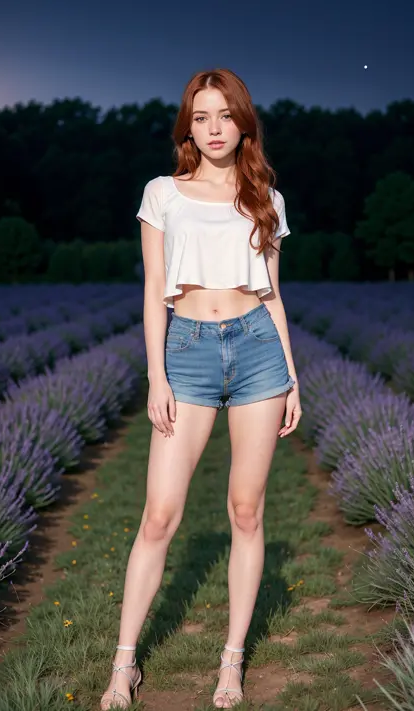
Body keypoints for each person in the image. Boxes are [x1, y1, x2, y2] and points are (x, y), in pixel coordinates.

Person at [100, 67, 302, 710]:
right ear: (188, 125)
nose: (214, 129)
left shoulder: (265, 195)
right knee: (159, 514)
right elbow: (153, 287)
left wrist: (291, 378)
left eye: (225, 115)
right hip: (185, 352)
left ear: (244, 122)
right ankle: (124, 665)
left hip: (257, 353)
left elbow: (273, 297)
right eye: (201, 117)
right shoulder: (162, 193)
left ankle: (232, 661)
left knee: (246, 511)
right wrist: (156, 373)